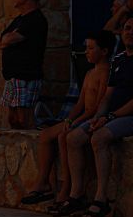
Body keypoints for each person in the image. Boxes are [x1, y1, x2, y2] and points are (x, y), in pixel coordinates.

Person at [21, 30, 113, 208]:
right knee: (46, 135)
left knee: (65, 137)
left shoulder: (106, 73)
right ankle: (44, 182)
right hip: (82, 116)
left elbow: (98, 105)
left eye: (91, 48)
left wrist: (78, 121)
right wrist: (70, 119)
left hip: (92, 117)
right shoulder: (88, 74)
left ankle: (67, 188)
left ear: (104, 51)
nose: (86, 52)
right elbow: (80, 104)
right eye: (86, 48)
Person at [61, 17, 133, 217]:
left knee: (98, 138)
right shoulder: (118, 60)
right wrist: (100, 116)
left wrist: (109, 117)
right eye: (127, 28)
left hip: (127, 116)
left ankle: (101, 198)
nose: (130, 32)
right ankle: (77, 194)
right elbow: (108, 96)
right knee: (73, 138)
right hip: (110, 115)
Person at [0, 0, 48, 129]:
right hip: (13, 77)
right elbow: (3, 38)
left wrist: (8, 39)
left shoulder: (35, 19)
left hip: (26, 76)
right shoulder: (19, 20)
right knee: (13, 119)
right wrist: (8, 39)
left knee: (24, 118)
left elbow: (9, 39)